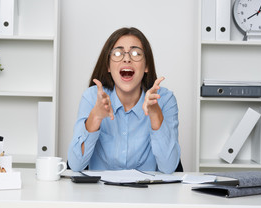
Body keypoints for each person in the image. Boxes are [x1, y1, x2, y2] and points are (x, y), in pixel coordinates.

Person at [67, 27, 181, 174]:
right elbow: (75, 165)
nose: (127, 58)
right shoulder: (92, 98)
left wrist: (155, 115)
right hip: (100, 194)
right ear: (108, 66)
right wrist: (95, 117)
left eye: (136, 53)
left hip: (148, 194)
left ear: (146, 66)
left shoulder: (164, 99)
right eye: (118, 53)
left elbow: (169, 167)